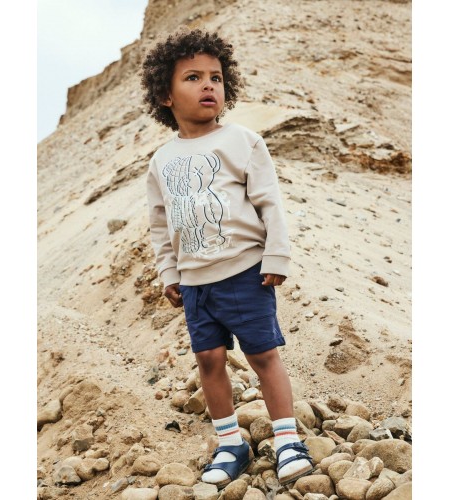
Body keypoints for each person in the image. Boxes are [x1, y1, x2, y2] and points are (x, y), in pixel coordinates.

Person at [141, 27, 314, 488]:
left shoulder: (243, 141)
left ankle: (287, 440)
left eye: (215, 77)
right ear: (165, 95)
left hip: (245, 272)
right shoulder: (161, 161)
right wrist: (169, 272)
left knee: (263, 355)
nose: (208, 86)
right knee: (209, 360)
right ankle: (230, 443)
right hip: (195, 282)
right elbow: (160, 224)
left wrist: (276, 255)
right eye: (193, 78)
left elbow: (269, 202)